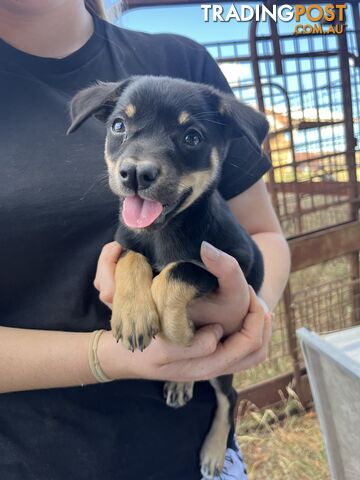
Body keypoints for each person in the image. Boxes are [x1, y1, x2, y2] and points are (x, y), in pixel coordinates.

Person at [0, 1, 290, 479]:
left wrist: (250, 315)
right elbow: (130, 256)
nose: (139, 163)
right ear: (100, 120)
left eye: (190, 137)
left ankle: (223, 413)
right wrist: (110, 356)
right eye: (121, 126)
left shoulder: (183, 61)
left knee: (220, 384)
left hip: (187, 447)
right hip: (27, 457)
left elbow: (260, 236)